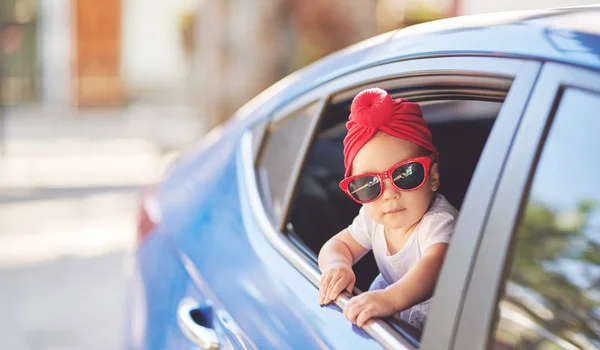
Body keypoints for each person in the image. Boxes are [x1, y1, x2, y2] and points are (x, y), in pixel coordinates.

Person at [317, 87, 458, 330]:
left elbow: (435, 267)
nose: (389, 194)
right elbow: (337, 245)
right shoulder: (373, 219)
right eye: (368, 185)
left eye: (405, 174)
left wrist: (389, 299)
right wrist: (337, 265)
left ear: (433, 174)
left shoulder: (439, 221)